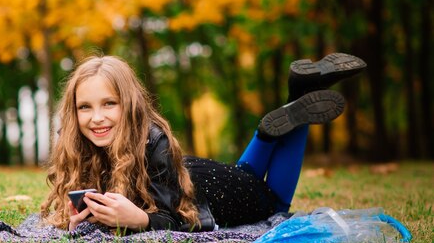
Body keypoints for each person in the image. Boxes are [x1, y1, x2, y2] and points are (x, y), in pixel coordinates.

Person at [40, 53, 366, 232]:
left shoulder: (155, 141)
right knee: (244, 173)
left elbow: (172, 218)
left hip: (215, 196)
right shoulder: (81, 145)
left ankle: (298, 95)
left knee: (275, 204)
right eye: (85, 107)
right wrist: (78, 219)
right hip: (196, 175)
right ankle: (270, 128)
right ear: (73, 111)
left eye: (109, 104)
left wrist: (139, 220)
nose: (96, 117)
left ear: (131, 104)